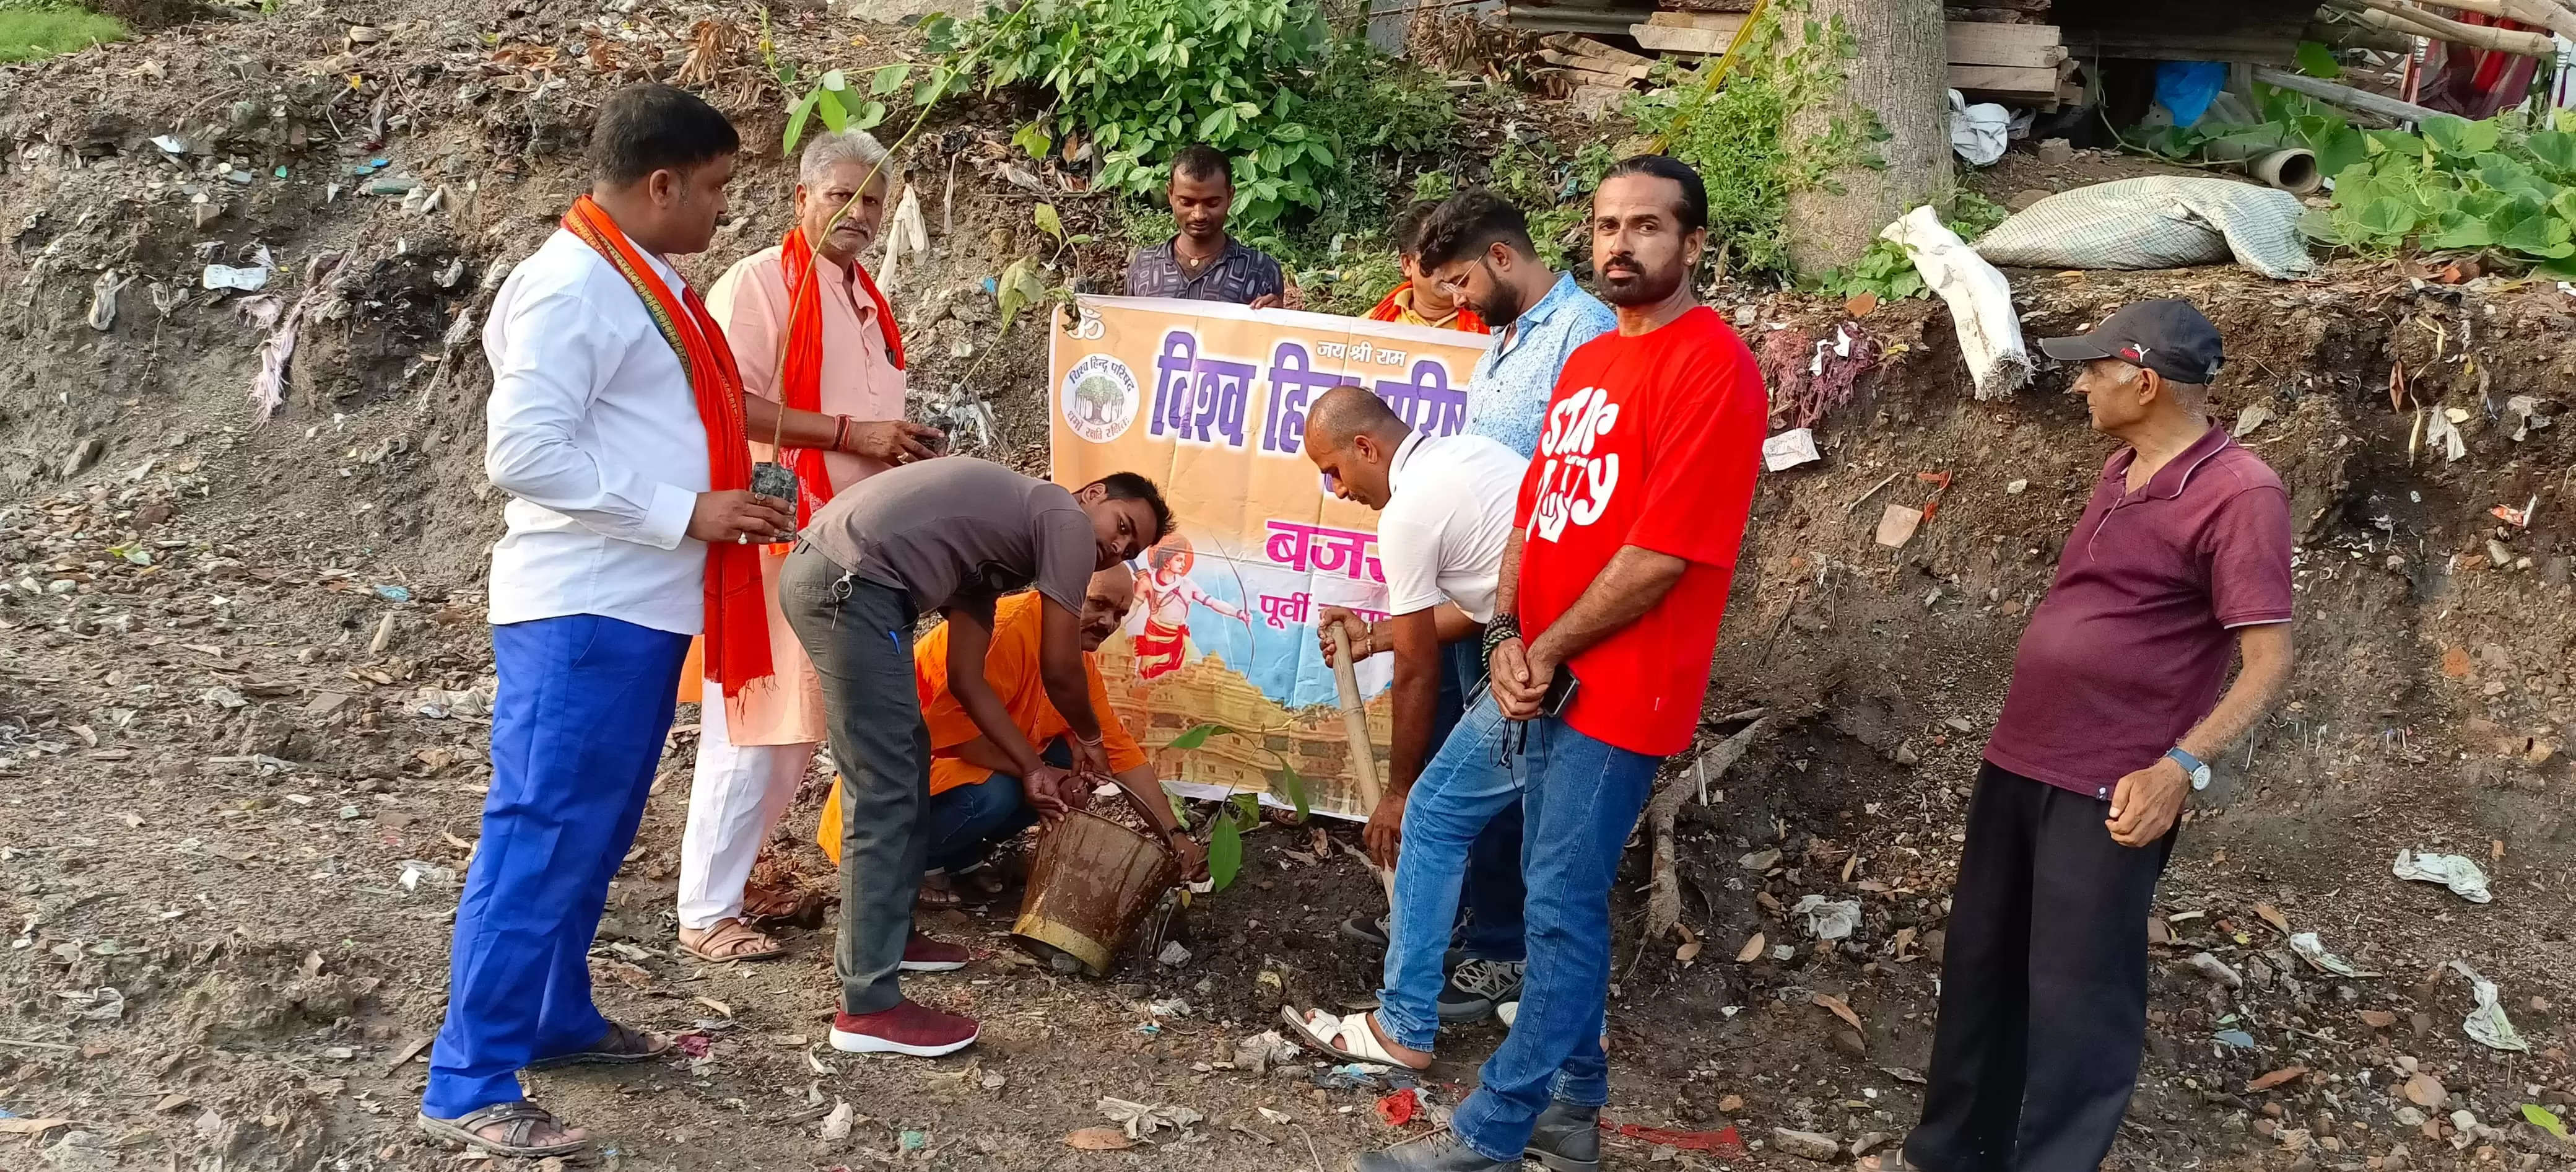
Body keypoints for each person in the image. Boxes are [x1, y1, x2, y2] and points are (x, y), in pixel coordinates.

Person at [422, 82, 887, 1159]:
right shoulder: (569, 288)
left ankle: (552, 1014)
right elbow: (524, 455)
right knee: (541, 831)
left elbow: (676, 420)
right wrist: (688, 507)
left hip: (639, 600)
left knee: (591, 828)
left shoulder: (650, 284)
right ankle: (469, 1077)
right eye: (719, 187)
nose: (729, 208)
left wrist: (734, 489)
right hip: (581, 601)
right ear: (662, 182)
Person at [1350, 156, 1765, 1172]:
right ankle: (1574, 1108)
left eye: (1649, 226)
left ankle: (1495, 1128)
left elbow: (1660, 556)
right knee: (1554, 895)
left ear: (1694, 243)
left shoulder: (1714, 368)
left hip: (1623, 686)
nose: (1622, 242)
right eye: (1607, 224)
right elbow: (1534, 517)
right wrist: (1500, 635)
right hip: (1536, 669)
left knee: (1559, 908)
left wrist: (1540, 645)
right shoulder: (1585, 365)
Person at [1879, 301, 2293, 1172]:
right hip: (2022, 756)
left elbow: (2267, 662)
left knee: (2079, 997)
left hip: (2113, 783)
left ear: (2143, 381)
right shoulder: (2122, 469)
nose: (2077, 385)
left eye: (2092, 370)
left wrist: (2181, 767)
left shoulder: (2240, 492)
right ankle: (1952, 1153)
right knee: (1984, 965)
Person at [781, 457, 1171, 1057]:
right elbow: (1062, 666)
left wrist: (1032, 766)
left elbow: (967, 678)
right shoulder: (1061, 515)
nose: (1115, 546)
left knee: (903, 770)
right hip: (849, 584)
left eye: (1129, 547)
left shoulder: (993, 556)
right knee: (885, 787)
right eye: (1120, 523)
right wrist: (1088, 738)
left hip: (849, 581)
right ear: (1090, 493)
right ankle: (868, 1004)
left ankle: (890, 939)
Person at [673, 128, 947, 966]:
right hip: (776, 532)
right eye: (843, 195)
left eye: (873, 199)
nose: (860, 213)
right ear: (802, 199)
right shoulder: (760, 285)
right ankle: (705, 910)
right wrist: (849, 430)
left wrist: (893, 445)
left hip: (853, 548)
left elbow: (858, 428)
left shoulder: (865, 298)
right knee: (754, 719)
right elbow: (728, 405)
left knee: (799, 725)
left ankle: (740, 877)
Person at [1299, 385, 1531, 1034]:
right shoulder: (1469, 456)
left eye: (1334, 470)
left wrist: (1397, 792)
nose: (1337, 489)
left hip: (1543, 658)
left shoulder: (1405, 516)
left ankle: (1425, 1007)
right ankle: (1495, 944)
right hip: (1539, 644)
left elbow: (1416, 669)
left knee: (1432, 810)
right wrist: (1374, 636)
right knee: (1496, 806)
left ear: (1366, 446)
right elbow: (1478, 603)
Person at [814, 569, 1208, 898]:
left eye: (1120, 614)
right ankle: (917, 866)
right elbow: (959, 738)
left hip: (978, 766)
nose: (1108, 623)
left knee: (1074, 767)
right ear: (1061, 591)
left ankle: (960, 858)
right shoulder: (1007, 632)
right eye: (1099, 604)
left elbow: (1119, 753)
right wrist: (1037, 771)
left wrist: (1174, 836)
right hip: (908, 779)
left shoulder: (1077, 662)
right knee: (1001, 793)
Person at [1413, 188, 1616, 460]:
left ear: (1501, 257)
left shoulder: (1585, 332)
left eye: (1462, 282)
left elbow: (1589, 463)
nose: (1457, 300)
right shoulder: (1503, 332)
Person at [1123, 144, 1291, 308]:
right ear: (1170, 194)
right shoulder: (1144, 264)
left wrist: (1275, 320)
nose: (1199, 215)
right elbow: (1129, 329)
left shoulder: (1262, 270)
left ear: (1230, 196)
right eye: (1187, 202)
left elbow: (1269, 335)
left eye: (1212, 203)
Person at [1129, 535, 1247, 681]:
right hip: (1152, 638)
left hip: (1176, 643)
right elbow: (1132, 609)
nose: (1183, 564)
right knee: (1145, 676)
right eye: (1179, 560)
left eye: (1184, 560)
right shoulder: (1147, 582)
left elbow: (1212, 602)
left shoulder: (1188, 586)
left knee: (1172, 680)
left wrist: (1238, 613)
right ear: (1166, 562)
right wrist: (1117, 627)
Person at [1365, 201, 1489, 333]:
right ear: (1408, 264)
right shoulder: (1367, 328)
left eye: (1458, 253)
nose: (1452, 266)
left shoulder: (1496, 324)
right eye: (1437, 254)